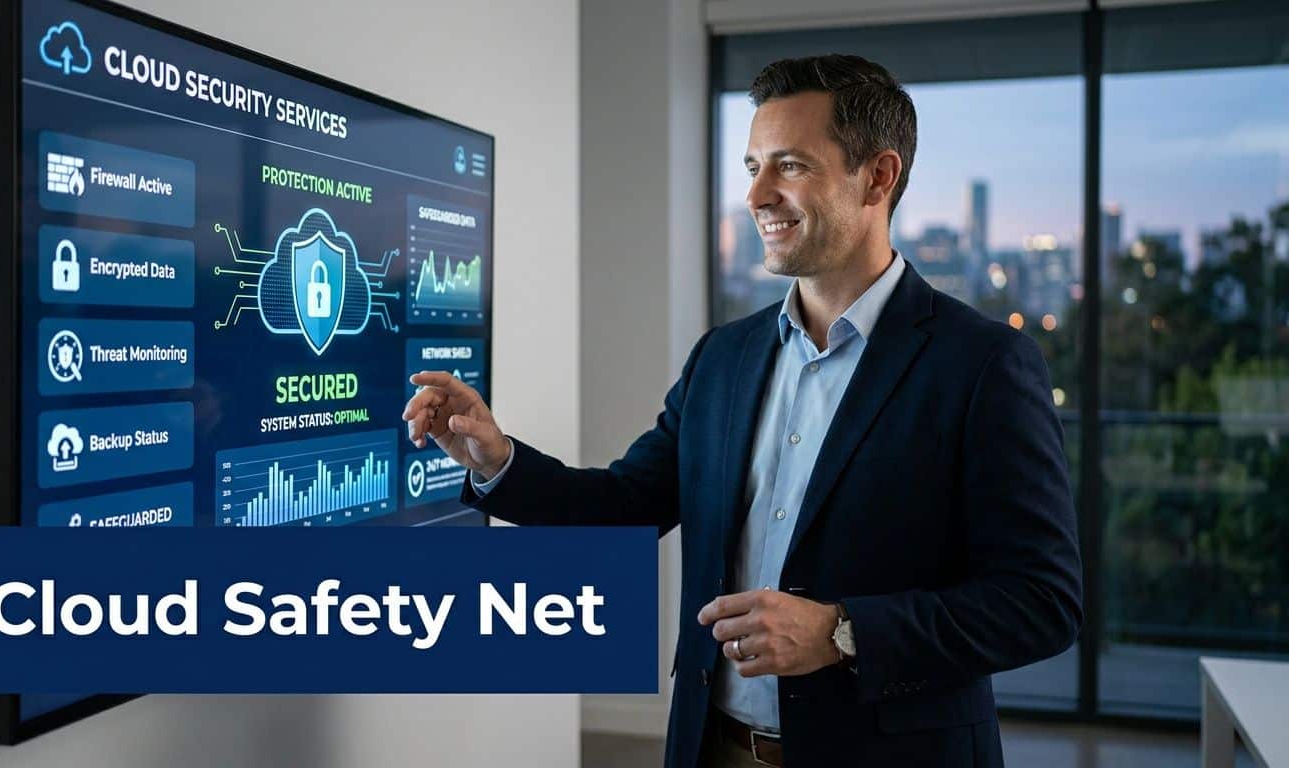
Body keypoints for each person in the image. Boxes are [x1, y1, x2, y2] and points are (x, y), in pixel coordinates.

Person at [402, 54, 1081, 768]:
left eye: (789, 165)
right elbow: (630, 502)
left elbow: (1041, 602)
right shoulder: (724, 358)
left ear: (878, 177)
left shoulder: (981, 364)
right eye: (753, 165)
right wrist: (498, 459)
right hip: (712, 747)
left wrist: (841, 632)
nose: (758, 193)